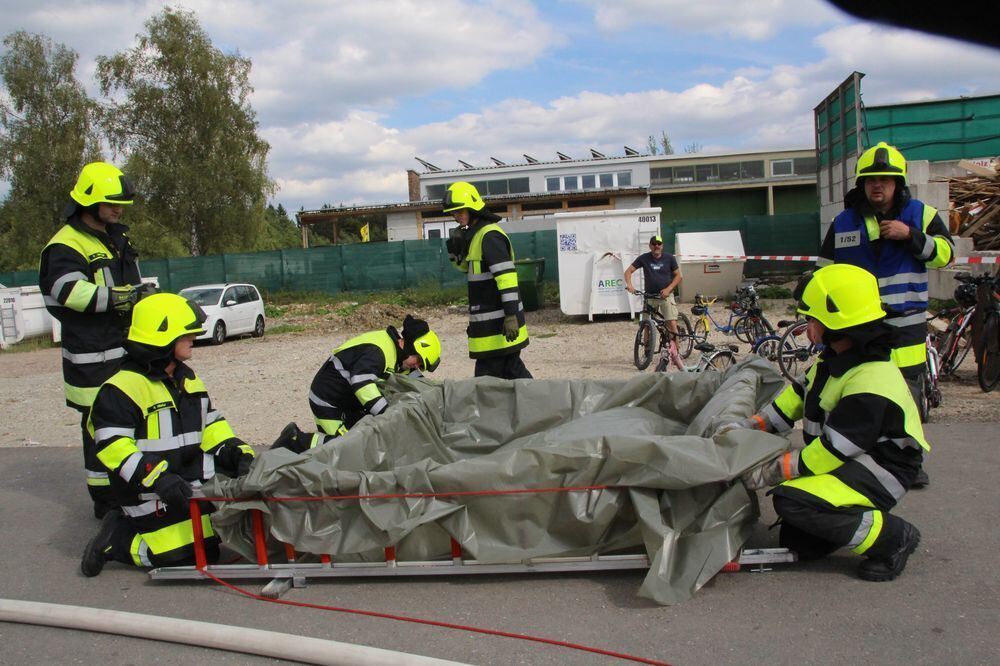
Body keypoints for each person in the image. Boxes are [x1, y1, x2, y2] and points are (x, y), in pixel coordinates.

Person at [720, 264, 928, 582]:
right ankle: (844, 525)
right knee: (797, 540)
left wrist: (769, 472)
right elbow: (795, 400)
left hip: (882, 470)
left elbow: (832, 451)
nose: (807, 328)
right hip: (855, 460)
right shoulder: (835, 360)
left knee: (792, 502)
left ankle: (893, 537)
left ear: (836, 323)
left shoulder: (870, 383)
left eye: (811, 320)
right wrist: (753, 425)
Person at [80, 293, 255, 576]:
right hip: (146, 490)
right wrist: (157, 477)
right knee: (179, 559)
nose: (194, 337)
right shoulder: (121, 389)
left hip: (183, 479)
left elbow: (210, 423)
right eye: (187, 333)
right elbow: (114, 447)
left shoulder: (186, 377)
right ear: (162, 337)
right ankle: (118, 539)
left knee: (210, 550)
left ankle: (183, 532)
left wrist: (235, 450)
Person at [818, 142, 953, 487]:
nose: (877, 185)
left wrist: (912, 236)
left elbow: (945, 255)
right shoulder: (843, 221)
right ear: (861, 184)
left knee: (905, 395)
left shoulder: (920, 215)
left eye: (885, 179)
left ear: (898, 183)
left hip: (904, 324)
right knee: (851, 392)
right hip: (856, 326)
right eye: (870, 179)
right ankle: (850, 459)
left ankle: (909, 463)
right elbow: (824, 272)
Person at [39, 161, 150, 519]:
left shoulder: (117, 239)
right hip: (91, 359)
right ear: (89, 202)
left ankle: (133, 489)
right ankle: (106, 503)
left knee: (132, 423)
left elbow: (130, 286)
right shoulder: (65, 245)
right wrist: (124, 297)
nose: (119, 210)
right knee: (100, 431)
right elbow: (69, 291)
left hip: (123, 351)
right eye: (112, 204)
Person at [272, 315, 441, 453]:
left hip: (348, 400)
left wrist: (438, 397)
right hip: (329, 400)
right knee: (340, 448)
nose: (416, 366)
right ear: (410, 346)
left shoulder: (397, 353)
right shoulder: (379, 351)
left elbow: (413, 379)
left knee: (360, 438)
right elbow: (362, 382)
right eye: (418, 361)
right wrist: (388, 414)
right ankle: (294, 439)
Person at [443, 181, 532, 379]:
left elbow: (507, 278)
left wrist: (511, 316)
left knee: (487, 382)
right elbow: (466, 269)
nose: (455, 216)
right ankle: (539, 406)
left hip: (500, 325)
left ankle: (538, 405)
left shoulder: (489, 236)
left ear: (472, 207)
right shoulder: (475, 235)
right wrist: (455, 248)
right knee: (512, 371)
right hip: (490, 324)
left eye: (459, 211)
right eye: (452, 213)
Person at [624, 235, 684, 369]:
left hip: (665, 296)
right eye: (654, 244)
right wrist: (630, 285)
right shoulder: (644, 258)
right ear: (650, 245)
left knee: (671, 323)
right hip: (650, 296)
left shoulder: (669, 258)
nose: (656, 246)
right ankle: (647, 352)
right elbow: (628, 271)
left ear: (662, 245)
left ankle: (676, 353)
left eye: (659, 244)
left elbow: (679, 276)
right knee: (646, 325)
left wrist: (669, 289)